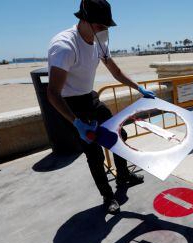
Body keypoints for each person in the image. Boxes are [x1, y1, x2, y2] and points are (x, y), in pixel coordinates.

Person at [47, 0, 156, 213]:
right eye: (100, 26)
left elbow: (114, 70)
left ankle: (123, 176)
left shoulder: (99, 41)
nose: (104, 31)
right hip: (70, 105)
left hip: (90, 97)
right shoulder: (64, 46)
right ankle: (108, 197)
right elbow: (52, 93)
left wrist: (138, 88)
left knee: (119, 134)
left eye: (107, 26)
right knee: (94, 151)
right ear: (83, 20)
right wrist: (77, 123)